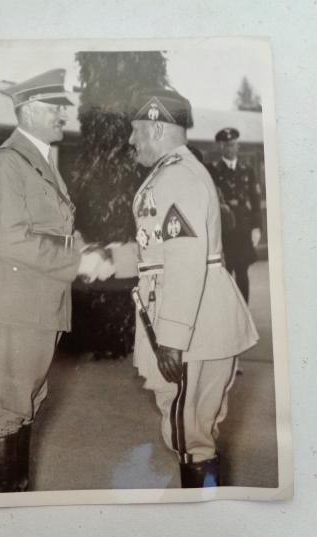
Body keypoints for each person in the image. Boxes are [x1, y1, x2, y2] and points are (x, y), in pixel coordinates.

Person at [0, 69, 114, 493]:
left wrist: (88, 253)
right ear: (29, 110)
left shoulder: (40, 160)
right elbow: (12, 240)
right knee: (9, 408)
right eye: (55, 109)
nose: (62, 117)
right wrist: (77, 263)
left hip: (38, 301)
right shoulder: (6, 163)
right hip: (14, 302)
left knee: (27, 403)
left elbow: (57, 229)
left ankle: (15, 498)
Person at [112, 88, 259, 487]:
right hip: (195, 321)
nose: (131, 141)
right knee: (193, 434)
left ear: (157, 129)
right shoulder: (173, 172)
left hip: (191, 327)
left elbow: (186, 259)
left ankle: (200, 519)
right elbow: (156, 249)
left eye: (136, 132)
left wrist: (172, 338)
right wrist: (109, 260)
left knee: (189, 431)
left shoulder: (178, 175)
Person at [212, 128, 263, 303]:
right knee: (225, 273)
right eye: (226, 145)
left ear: (238, 146)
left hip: (243, 230)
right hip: (224, 231)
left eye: (233, 144)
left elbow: (256, 201)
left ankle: (244, 316)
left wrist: (257, 228)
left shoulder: (247, 170)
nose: (230, 148)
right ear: (220, 147)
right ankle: (228, 317)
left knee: (242, 273)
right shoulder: (213, 171)